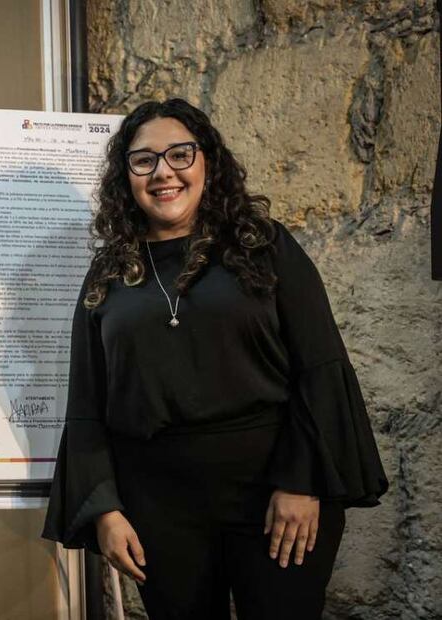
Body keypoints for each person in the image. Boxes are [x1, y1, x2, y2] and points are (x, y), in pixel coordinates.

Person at [42, 98, 388, 619]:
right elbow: (88, 400)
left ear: (208, 162)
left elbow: (320, 367)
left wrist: (302, 480)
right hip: (158, 505)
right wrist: (105, 508)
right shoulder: (109, 274)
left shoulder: (263, 247)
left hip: (275, 493)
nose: (164, 172)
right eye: (144, 161)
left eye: (180, 154)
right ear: (126, 177)